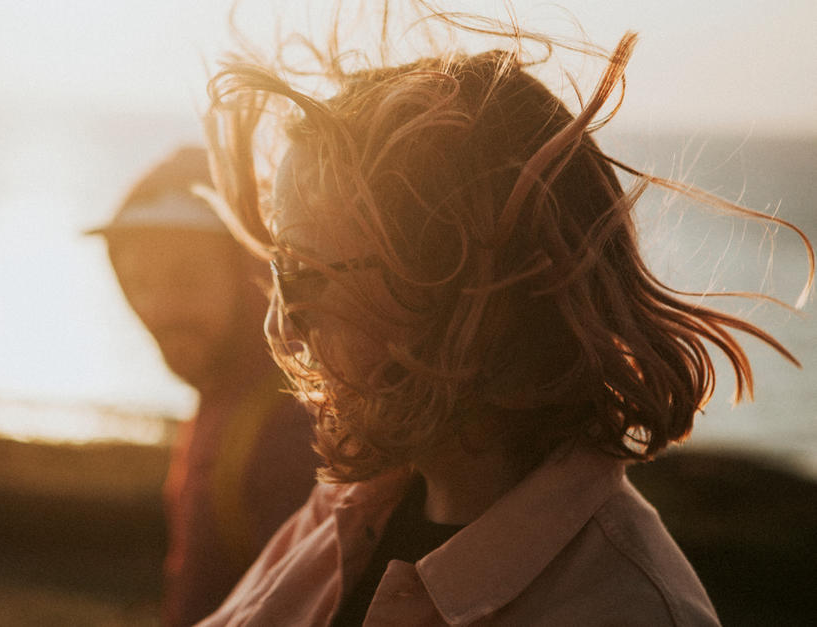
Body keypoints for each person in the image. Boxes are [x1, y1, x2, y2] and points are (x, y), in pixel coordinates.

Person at [197, 4, 814, 626]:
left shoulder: (625, 611)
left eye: (308, 276)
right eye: (279, 273)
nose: (281, 329)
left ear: (479, 295)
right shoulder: (350, 509)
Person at [88, 146, 319, 625]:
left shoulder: (291, 429)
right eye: (137, 283)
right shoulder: (226, 404)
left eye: (186, 279)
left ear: (254, 271)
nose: (157, 308)